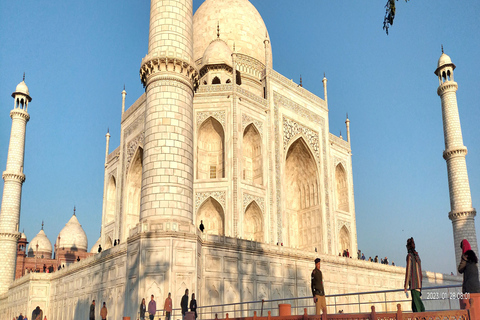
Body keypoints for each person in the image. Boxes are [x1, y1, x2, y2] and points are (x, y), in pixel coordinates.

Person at [404, 237, 425, 312]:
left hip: (413, 284)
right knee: (415, 305)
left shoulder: (409, 256)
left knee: (417, 307)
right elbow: (420, 272)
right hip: (419, 284)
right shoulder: (417, 256)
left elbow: (408, 271)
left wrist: (405, 286)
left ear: (408, 247)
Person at [458, 239, 480, 309]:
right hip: (477, 287)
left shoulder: (465, 256)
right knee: (476, 308)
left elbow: (460, 269)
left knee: (468, 307)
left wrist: (462, 258)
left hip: (469, 288)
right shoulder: (474, 258)